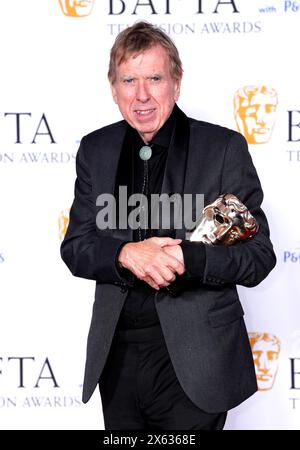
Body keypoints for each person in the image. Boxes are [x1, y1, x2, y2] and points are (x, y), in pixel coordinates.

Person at [60, 21, 276, 430]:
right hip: (118, 360)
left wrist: (188, 258)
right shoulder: (95, 150)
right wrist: (125, 254)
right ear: (113, 88)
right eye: (129, 80)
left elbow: (258, 257)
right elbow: (76, 247)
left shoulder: (223, 149)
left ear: (176, 83)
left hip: (198, 362)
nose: (141, 95)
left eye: (155, 78)